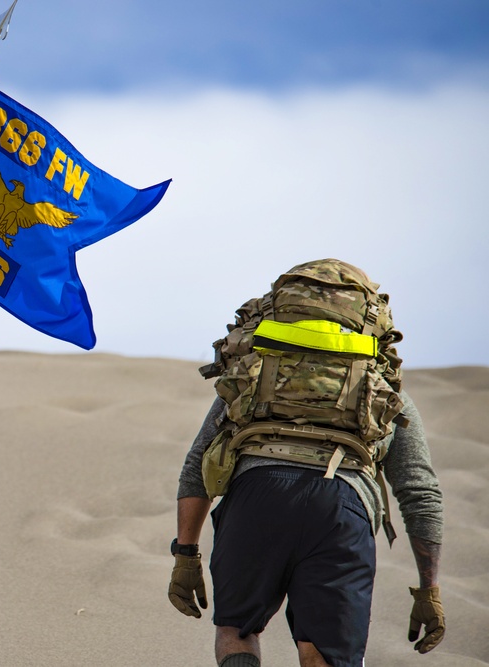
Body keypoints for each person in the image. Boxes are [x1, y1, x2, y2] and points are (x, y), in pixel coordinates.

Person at [167, 259, 445, 667]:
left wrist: (185, 555)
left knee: (237, 631)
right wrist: (429, 591)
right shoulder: (384, 390)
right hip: (341, 509)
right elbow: (420, 493)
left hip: (255, 500)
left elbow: (196, 467)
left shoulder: (253, 375)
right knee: (323, 653)